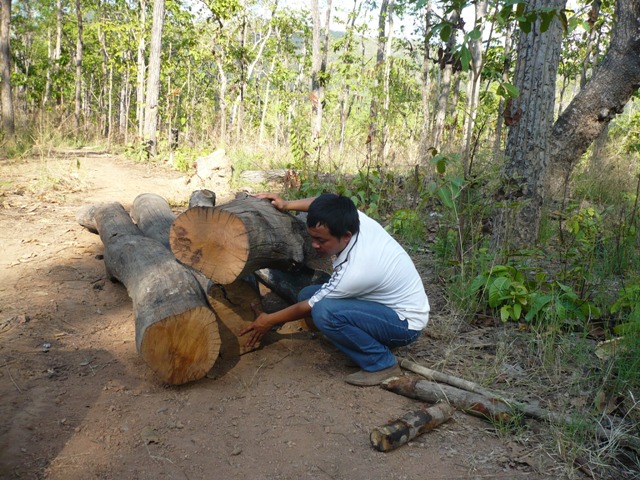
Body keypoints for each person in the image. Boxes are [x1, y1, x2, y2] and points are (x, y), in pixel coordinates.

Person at [239, 193, 430, 386]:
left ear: (346, 236)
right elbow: (321, 203)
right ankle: (360, 343)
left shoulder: (356, 270)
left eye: (321, 240)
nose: (315, 244)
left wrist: (268, 320)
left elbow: (310, 307)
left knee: (323, 311)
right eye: (312, 237)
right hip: (382, 306)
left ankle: (382, 364)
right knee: (307, 293)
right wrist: (286, 204)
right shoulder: (353, 220)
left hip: (404, 325)